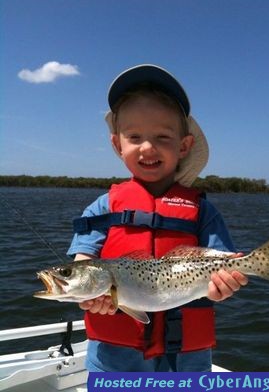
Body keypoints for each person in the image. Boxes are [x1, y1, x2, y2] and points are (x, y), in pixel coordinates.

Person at [67, 64, 248, 372]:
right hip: (114, 360)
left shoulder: (203, 212)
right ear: (117, 144)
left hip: (187, 362)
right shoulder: (101, 207)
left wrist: (225, 287)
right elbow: (83, 265)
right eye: (134, 136)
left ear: (184, 146)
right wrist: (87, 297)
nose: (148, 147)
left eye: (163, 136)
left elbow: (225, 265)